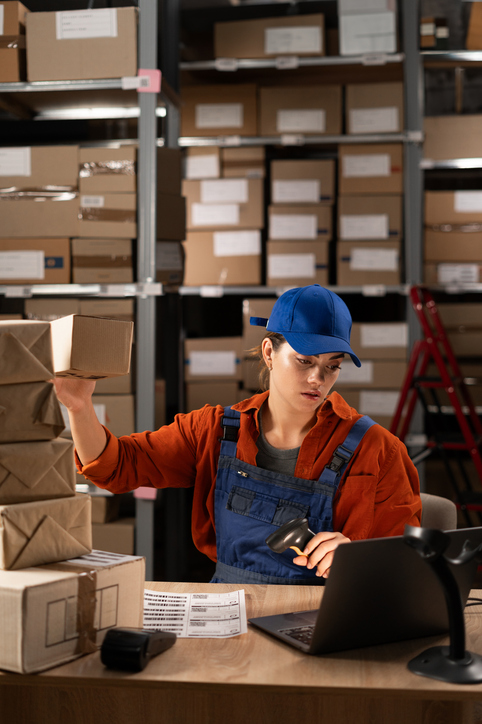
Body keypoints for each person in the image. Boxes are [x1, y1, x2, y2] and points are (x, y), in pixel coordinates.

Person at [54, 284, 421, 585]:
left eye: (332, 367)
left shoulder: (376, 450)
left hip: (321, 618)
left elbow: (405, 567)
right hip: (227, 610)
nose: (317, 379)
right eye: (304, 361)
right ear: (268, 352)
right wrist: (79, 407)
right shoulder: (213, 431)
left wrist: (355, 559)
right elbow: (118, 467)